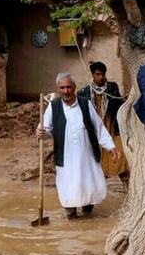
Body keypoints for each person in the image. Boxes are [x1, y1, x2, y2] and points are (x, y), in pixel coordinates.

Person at [36, 72, 120, 219]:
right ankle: (71, 215)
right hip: (65, 157)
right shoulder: (53, 107)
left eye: (68, 87)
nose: (66, 91)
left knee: (88, 188)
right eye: (62, 88)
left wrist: (110, 146)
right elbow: (45, 129)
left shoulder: (85, 104)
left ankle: (87, 214)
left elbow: (99, 127)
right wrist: (41, 133)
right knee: (68, 188)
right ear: (58, 89)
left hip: (86, 157)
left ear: (74, 87)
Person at [77, 61, 130, 190]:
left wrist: (125, 100)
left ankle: (126, 185)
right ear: (93, 75)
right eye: (98, 74)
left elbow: (118, 104)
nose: (100, 77)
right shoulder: (84, 92)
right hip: (94, 130)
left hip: (111, 126)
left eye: (103, 74)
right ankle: (95, 189)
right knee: (95, 158)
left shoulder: (112, 88)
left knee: (119, 153)